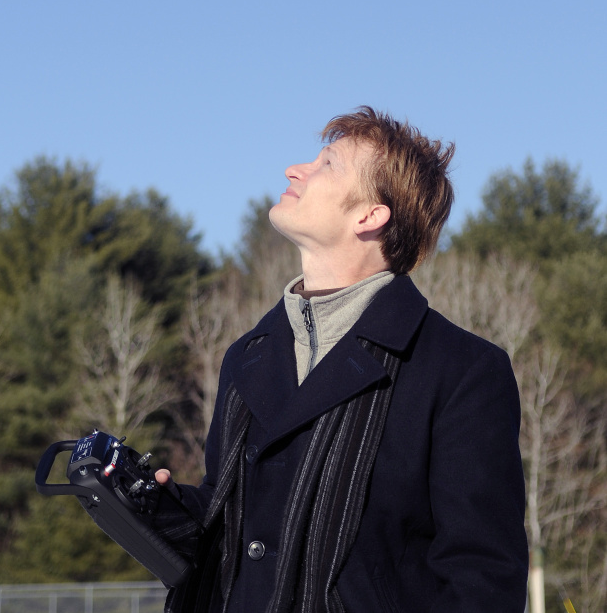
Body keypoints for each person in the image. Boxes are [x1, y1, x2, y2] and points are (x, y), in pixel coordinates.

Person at [155, 106, 529, 613]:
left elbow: (482, 578)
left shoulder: (461, 370)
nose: (295, 170)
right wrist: (155, 507)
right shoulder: (246, 357)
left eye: (326, 164)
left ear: (370, 215)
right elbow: (241, 531)